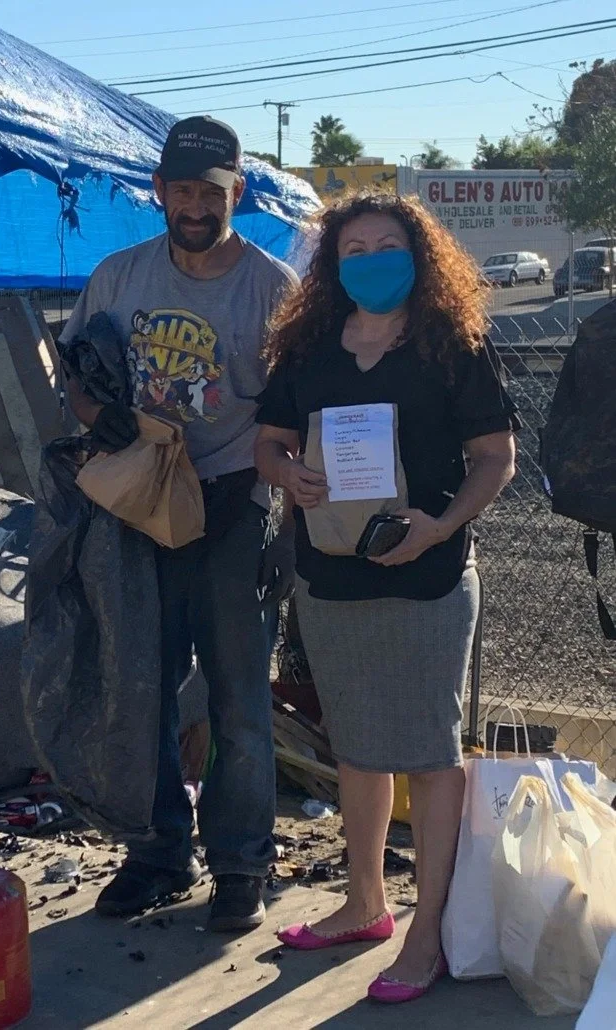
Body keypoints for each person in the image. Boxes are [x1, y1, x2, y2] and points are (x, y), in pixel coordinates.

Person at [254, 190, 519, 1002]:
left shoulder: (453, 345)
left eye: (387, 245)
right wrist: (286, 473)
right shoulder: (305, 350)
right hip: (329, 577)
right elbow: (268, 443)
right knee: (356, 745)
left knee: (431, 755)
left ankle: (425, 932)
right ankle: (361, 903)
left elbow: (494, 459)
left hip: (428, 578)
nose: (372, 261)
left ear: (420, 254)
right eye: (355, 250)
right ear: (334, 266)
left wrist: (437, 528)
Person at [60, 116, 297, 931]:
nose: (196, 205)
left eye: (213, 191)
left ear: (238, 192)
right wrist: (100, 416)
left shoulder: (270, 289)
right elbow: (74, 367)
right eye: (182, 189)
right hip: (140, 505)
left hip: (232, 500)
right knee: (143, 685)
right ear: (158, 192)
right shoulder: (118, 277)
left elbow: (299, 408)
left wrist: (285, 524)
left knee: (237, 698)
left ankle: (239, 865)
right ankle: (159, 854)